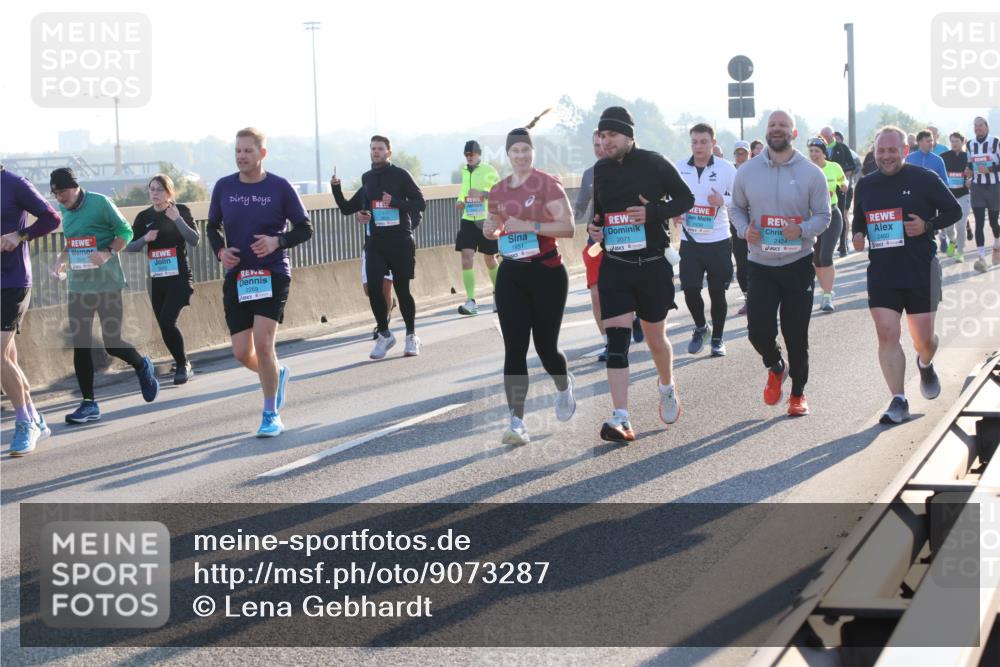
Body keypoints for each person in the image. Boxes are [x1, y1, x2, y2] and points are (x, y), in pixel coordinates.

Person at [589, 106, 695, 441]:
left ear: (628, 135)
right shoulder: (601, 170)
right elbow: (599, 214)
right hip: (615, 265)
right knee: (617, 342)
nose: (606, 141)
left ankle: (666, 386)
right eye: (602, 136)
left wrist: (652, 212)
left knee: (655, 340)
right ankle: (621, 418)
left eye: (612, 135)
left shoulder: (655, 163)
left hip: (651, 265)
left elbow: (686, 199)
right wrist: (594, 229)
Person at [851, 126, 961, 424]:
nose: (886, 156)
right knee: (887, 332)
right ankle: (898, 400)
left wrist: (927, 226)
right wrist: (858, 235)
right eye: (881, 151)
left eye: (892, 150)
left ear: (905, 150)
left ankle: (925, 363)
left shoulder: (925, 178)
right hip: (883, 271)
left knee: (923, 340)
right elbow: (859, 220)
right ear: (874, 152)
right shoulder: (866, 184)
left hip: (919, 269)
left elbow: (954, 211)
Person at [207, 127, 313, 437]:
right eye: (238, 151)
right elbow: (212, 227)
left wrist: (277, 241)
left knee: (264, 345)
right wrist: (221, 251)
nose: (241, 156)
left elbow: (305, 228)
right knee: (242, 352)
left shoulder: (279, 187)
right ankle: (276, 374)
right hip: (238, 276)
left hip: (272, 272)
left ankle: (271, 414)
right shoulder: (224, 187)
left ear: (262, 153)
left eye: (248, 151)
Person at [482, 118, 576, 445]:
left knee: (546, 349)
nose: (521, 156)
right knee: (515, 348)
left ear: (533, 152)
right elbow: (495, 225)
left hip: (547, 272)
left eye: (525, 150)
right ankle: (517, 422)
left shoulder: (547, 184)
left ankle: (563, 386)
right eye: (515, 151)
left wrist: (530, 226)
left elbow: (568, 227)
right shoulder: (498, 190)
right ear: (508, 155)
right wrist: (490, 230)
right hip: (512, 273)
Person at [731, 111, 831, 417]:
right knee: (757, 331)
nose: (777, 130)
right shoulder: (747, 171)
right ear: (767, 131)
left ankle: (798, 394)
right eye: (772, 125)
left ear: (793, 133)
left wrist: (801, 230)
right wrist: (744, 229)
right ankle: (776, 366)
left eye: (783, 126)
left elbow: (823, 216)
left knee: (795, 333)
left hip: (797, 263)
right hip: (760, 264)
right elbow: (736, 208)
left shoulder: (811, 173)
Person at [49, 167, 161, 425]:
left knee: (112, 342)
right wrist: (60, 261)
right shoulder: (65, 210)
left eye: (63, 192)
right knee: (81, 344)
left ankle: (142, 364)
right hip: (78, 287)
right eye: (55, 194)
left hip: (108, 284)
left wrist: (107, 252)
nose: (60, 198)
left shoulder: (100, 203)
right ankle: (89, 403)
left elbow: (126, 232)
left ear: (75, 186)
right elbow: (72, 241)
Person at [332, 135, 426, 358]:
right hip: (376, 242)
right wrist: (338, 191)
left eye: (380, 148)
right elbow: (348, 208)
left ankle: (411, 336)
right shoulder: (367, 178)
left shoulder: (401, 175)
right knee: (373, 288)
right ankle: (385, 334)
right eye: (373, 148)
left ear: (389, 152)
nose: (376, 152)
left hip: (400, 241)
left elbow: (420, 203)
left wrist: (395, 202)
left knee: (402, 291)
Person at [1, 166, 61, 455]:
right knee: (7, 358)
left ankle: (25, 423)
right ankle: (35, 418)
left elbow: (52, 217)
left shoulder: (14, 183)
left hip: (12, 281)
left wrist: (20, 234)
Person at [127, 174, 199, 384]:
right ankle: (182, 361)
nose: (155, 193)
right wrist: (145, 238)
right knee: (164, 325)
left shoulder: (181, 210)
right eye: (152, 189)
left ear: (169, 192)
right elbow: (130, 247)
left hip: (179, 277)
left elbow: (194, 240)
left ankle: (183, 365)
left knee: (168, 320)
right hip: (157, 280)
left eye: (160, 189)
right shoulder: (143, 217)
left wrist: (177, 219)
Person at [674, 123, 737, 356]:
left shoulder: (726, 169)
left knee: (717, 292)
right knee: (690, 290)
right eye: (694, 142)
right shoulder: (679, 167)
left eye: (703, 142)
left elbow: (743, 198)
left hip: (718, 241)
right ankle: (701, 327)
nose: (698, 146)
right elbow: (669, 197)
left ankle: (717, 339)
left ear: (713, 143)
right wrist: (674, 212)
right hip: (690, 241)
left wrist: (723, 201)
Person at [454, 140, 500, 316]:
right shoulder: (465, 171)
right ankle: (471, 301)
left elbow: (500, 193)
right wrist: (460, 201)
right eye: (466, 154)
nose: (469, 157)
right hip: (468, 220)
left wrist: (483, 194)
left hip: (485, 219)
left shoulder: (489, 170)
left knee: (490, 259)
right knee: (466, 258)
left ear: (479, 154)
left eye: (471, 154)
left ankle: (499, 293)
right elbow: (464, 191)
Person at [807, 138, 847, 312]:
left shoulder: (834, 167)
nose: (814, 154)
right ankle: (825, 291)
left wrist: (844, 185)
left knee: (826, 256)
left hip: (832, 214)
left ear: (824, 153)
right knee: (816, 258)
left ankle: (828, 295)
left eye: (817, 151)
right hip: (814, 217)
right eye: (811, 151)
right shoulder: (806, 170)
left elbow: (843, 181)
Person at [965, 116, 1000, 273]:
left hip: (994, 186)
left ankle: (997, 244)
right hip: (977, 187)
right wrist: (968, 173)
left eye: (980, 125)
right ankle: (981, 258)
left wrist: (990, 169)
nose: (977, 128)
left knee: (993, 222)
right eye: (975, 125)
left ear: (987, 126)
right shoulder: (970, 144)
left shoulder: (995, 142)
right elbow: (969, 163)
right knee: (979, 222)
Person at [820, 127, 855, 256]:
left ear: (833, 135)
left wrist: (840, 179)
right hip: (822, 189)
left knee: (841, 215)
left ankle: (842, 243)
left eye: (827, 136)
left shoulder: (842, 148)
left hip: (839, 188)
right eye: (823, 137)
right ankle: (822, 245)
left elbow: (852, 166)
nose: (825, 139)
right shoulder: (819, 148)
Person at [361, 224, 395, 340]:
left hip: (392, 245)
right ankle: (389, 305)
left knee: (385, 287)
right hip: (371, 246)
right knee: (368, 290)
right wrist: (359, 215)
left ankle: (382, 325)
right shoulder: (368, 209)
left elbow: (416, 216)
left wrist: (403, 231)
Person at [941, 131, 971, 262]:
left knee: (961, 225)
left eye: (956, 141)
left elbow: (976, 172)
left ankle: (960, 252)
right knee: (949, 227)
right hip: (948, 196)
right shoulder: (944, 157)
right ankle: (952, 241)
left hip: (964, 195)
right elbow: (937, 173)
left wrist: (971, 180)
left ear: (963, 142)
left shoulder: (968, 157)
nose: (954, 144)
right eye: (952, 141)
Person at [731, 140, 752, 315]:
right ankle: (747, 298)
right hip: (736, 223)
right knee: (741, 262)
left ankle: (762, 296)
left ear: (749, 154)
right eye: (738, 153)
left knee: (757, 260)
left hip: (755, 222)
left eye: (743, 153)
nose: (740, 156)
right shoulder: (729, 172)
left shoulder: (756, 171)